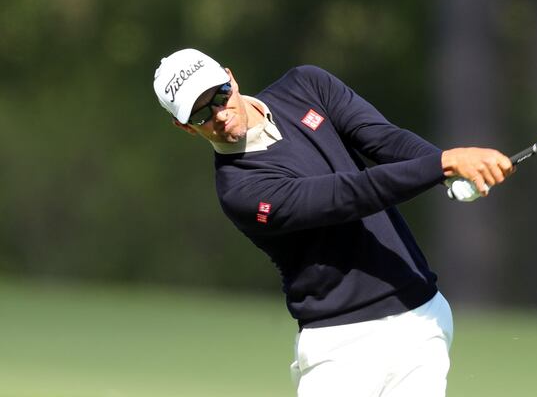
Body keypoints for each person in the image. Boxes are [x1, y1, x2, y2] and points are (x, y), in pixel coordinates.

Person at [152, 48, 513, 397]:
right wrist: (444, 164)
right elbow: (346, 196)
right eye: (200, 114)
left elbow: (384, 139)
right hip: (340, 343)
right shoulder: (241, 190)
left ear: (231, 77)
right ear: (185, 127)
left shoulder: (307, 86)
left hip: (421, 317)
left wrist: (450, 170)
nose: (219, 113)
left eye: (220, 95)